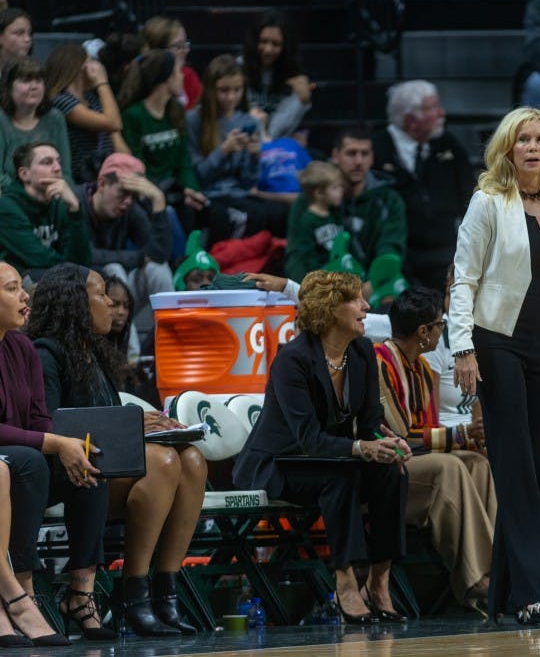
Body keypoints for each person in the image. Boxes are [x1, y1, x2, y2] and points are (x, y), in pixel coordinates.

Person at [451, 107, 540, 624]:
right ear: (508, 150)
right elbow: (463, 279)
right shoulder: (488, 201)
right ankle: (536, 589)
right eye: (522, 140)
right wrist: (462, 347)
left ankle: (504, 596)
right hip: (495, 343)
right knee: (513, 465)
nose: (532, 148)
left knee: (534, 469)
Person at [28, 265, 209, 635]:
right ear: (75, 304)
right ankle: (132, 591)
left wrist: (144, 424)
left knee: (192, 460)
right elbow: (49, 425)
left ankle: (166, 587)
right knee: (161, 461)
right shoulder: (46, 354)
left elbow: (103, 421)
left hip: (105, 467)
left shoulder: (95, 352)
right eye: (101, 294)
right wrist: (132, 425)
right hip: (69, 476)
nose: (111, 303)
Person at [233, 270, 412, 624]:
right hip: (278, 462)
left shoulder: (361, 351)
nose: (366, 306)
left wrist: (387, 442)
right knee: (339, 478)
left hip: (334, 457)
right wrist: (361, 449)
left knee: (391, 471)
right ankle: (345, 580)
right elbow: (309, 439)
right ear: (330, 309)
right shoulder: (292, 360)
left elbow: (371, 420)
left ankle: (378, 581)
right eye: (356, 300)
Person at [374, 286, 495, 608]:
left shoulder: (425, 369)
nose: (443, 332)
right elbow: (398, 436)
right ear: (423, 332)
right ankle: (476, 576)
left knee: (476, 462)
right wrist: (457, 435)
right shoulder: (380, 363)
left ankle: (498, 566)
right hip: (383, 467)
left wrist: (470, 438)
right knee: (451, 465)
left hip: (417, 459)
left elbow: (427, 431)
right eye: (440, 325)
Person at [0, 261, 87, 648]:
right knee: (28, 460)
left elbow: (39, 419)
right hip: (14, 464)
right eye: (12, 288)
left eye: (22, 287)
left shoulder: (22, 346)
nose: (24, 296)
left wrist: (72, 449)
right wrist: (54, 444)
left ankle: (83, 592)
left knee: (87, 470)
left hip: (19, 465)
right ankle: (22, 584)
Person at [372, 80, 475, 288]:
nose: (442, 113)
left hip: (444, 251)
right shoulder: (376, 148)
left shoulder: (449, 144)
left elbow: (470, 193)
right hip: (399, 253)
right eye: (433, 108)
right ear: (411, 120)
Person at [187, 54, 288, 239]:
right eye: (224, 90)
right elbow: (197, 177)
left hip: (238, 193)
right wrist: (223, 150)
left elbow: (247, 182)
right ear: (210, 89)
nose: (231, 97)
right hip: (209, 195)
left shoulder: (248, 121)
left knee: (280, 214)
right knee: (247, 216)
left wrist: (255, 158)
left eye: (237, 90)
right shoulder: (194, 119)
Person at [118, 49, 209, 235]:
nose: (183, 77)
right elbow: (137, 162)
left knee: (205, 209)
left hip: (175, 189)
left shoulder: (176, 111)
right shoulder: (133, 115)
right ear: (166, 78)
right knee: (170, 214)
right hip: (148, 191)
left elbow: (184, 161)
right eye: (178, 72)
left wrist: (191, 189)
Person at [80, 152, 172, 326]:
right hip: (83, 296)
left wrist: (158, 201)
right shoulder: (77, 202)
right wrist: (136, 258)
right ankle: (131, 352)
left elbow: (158, 255)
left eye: (134, 196)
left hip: (117, 300)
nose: (128, 201)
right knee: (113, 271)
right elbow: (84, 255)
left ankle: (169, 341)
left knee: (157, 271)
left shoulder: (128, 208)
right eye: (123, 192)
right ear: (102, 184)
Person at [332, 125, 409, 308]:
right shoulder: (315, 199)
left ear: (372, 157)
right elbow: (300, 256)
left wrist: (368, 287)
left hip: (374, 287)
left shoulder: (389, 200)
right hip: (330, 287)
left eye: (364, 154)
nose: (359, 161)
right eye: (351, 153)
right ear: (335, 156)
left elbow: (390, 250)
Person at [0, 142, 89, 278]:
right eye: (47, 162)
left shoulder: (61, 204)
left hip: (59, 276)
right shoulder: (6, 206)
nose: (58, 168)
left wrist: (75, 208)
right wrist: (73, 267)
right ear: (24, 174)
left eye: (59, 162)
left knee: (102, 276)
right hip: (21, 283)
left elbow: (84, 259)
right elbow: (36, 259)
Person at [44, 43, 124, 183]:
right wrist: (102, 83)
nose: (97, 66)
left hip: (104, 174)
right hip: (81, 179)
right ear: (79, 66)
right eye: (91, 61)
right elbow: (113, 123)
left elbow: (114, 129)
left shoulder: (92, 98)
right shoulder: (60, 101)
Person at [0, 56, 73, 189]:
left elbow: (66, 174)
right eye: (26, 80)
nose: (34, 86)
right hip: (9, 199)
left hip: (50, 197)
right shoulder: (1, 120)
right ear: (9, 87)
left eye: (38, 80)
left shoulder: (55, 118)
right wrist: (31, 192)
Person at [242, 9, 313, 140]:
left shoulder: (294, 74)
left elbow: (297, 127)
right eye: (263, 41)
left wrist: (304, 101)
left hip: (279, 143)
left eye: (275, 44)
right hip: (245, 139)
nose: (268, 50)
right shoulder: (239, 67)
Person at [285, 161, 349, 281]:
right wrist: (320, 276)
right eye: (335, 188)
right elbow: (307, 254)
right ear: (319, 193)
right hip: (321, 277)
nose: (341, 191)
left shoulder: (335, 213)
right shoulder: (308, 220)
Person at [140, 16, 202, 110]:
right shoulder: (140, 80)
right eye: (178, 46)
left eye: (185, 44)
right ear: (158, 50)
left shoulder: (189, 75)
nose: (186, 50)